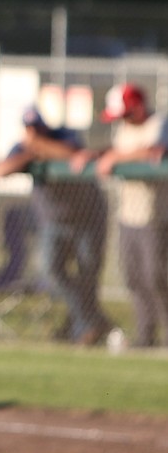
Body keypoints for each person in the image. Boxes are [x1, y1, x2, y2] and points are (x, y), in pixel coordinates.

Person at [0, 106, 111, 345]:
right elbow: (0, 170)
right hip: (53, 222)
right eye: (29, 128)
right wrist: (30, 154)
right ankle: (91, 322)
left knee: (88, 274)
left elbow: (73, 154)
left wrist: (39, 147)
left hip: (86, 218)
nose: (33, 132)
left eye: (37, 126)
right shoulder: (24, 148)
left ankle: (81, 328)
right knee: (52, 272)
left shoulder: (64, 134)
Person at [71, 83, 168, 348]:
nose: (123, 119)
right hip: (128, 215)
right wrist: (95, 153)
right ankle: (146, 337)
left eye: (125, 113)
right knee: (134, 278)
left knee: (156, 278)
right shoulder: (126, 127)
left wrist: (115, 157)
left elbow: (152, 151)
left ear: (137, 107)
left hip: (155, 217)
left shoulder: (159, 124)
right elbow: (116, 148)